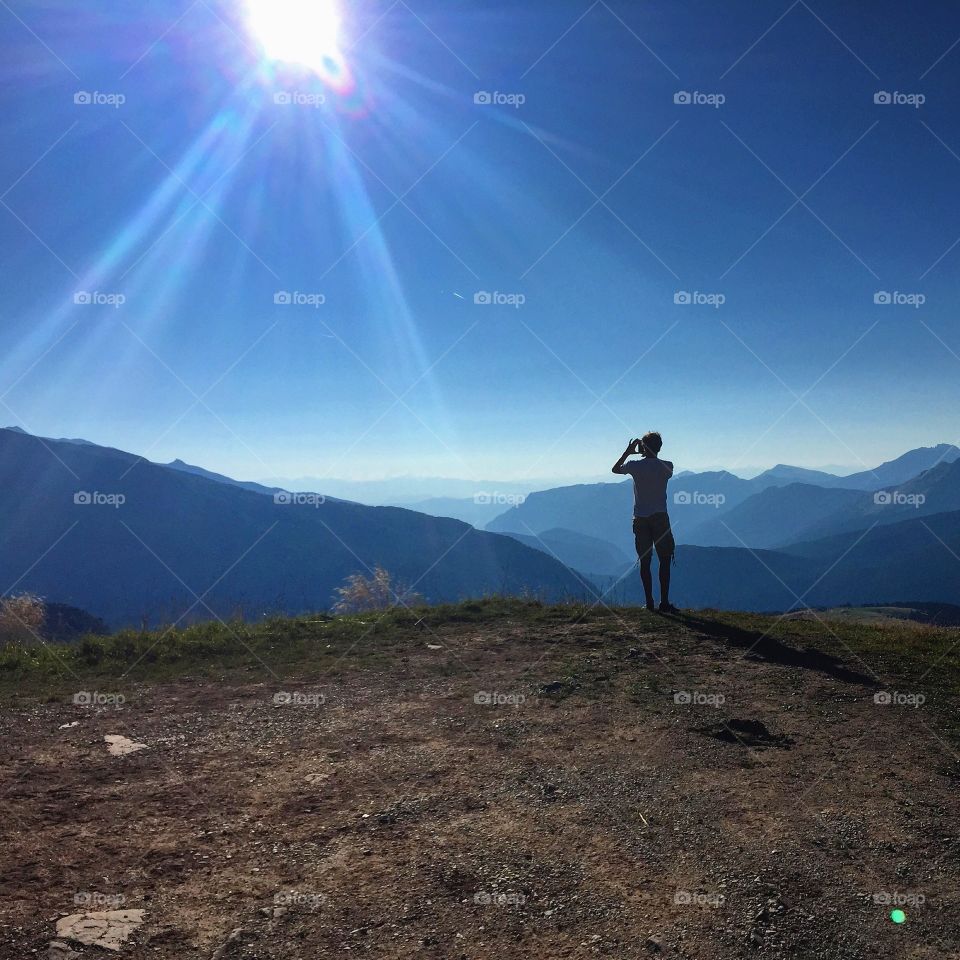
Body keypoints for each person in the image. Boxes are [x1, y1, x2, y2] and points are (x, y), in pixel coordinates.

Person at [612, 432, 678, 613]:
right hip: (660, 517)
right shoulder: (667, 466)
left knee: (645, 561)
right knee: (665, 559)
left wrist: (627, 452)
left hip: (640, 518)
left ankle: (649, 602)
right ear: (659, 446)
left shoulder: (634, 466)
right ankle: (664, 602)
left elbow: (615, 469)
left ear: (642, 447)